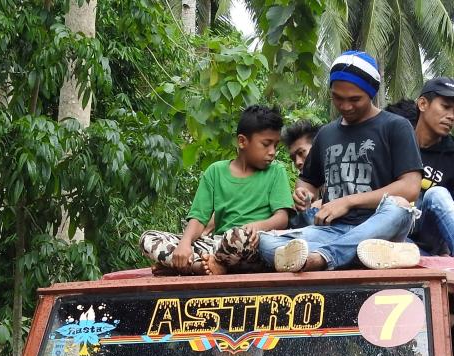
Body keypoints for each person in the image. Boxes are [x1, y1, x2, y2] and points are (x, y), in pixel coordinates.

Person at [256, 51, 422, 273]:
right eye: (337, 97)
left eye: (355, 99)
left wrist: (349, 201)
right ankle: (363, 254)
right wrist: (303, 195)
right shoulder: (326, 134)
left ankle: (324, 257)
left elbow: (410, 188)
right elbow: (307, 182)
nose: (345, 106)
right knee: (267, 242)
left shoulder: (396, 126)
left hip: (380, 226)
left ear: (371, 93)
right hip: (332, 230)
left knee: (399, 208)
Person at [141, 105, 293, 275]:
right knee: (149, 238)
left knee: (237, 236)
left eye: (275, 145)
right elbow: (199, 219)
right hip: (216, 244)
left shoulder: (276, 172)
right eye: (266, 144)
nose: (272, 152)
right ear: (242, 141)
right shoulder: (215, 171)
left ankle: (193, 266)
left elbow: (282, 218)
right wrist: (184, 243)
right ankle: (203, 265)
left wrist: (256, 227)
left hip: (251, 246)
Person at [372, 79, 454, 263]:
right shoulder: (392, 143)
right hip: (391, 232)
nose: (451, 116)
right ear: (422, 104)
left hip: (429, 240)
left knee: (437, 193)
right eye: (445, 107)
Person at [281, 119, 323, 228]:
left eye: (301, 153)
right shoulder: (302, 184)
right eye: (293, 158)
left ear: (318, 147)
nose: (298, 162)